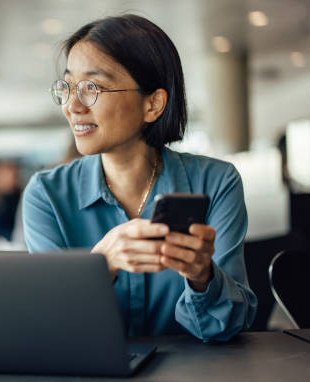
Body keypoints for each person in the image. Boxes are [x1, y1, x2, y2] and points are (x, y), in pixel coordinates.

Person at [22, 14, 257, 342]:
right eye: (68, 86)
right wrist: (100, 267)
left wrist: (202, 277)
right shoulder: (46, 194)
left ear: (153, 104)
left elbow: (231, 326)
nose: (72, 106)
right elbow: (50, 328)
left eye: (92, 87)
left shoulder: (217, 182)